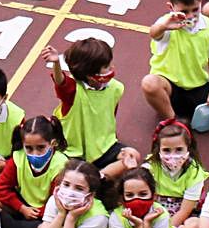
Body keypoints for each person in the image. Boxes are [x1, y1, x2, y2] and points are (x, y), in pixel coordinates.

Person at [44, 40, 141, 179]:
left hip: (104, 148)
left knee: (133, 156)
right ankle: (93, 179)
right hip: (72, 152)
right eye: (107, 67)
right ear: (91, 75)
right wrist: (56, 63)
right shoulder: (72, 91)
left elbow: (110, 117)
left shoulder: (115, 88)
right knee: (61, 172)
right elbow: (61, 82)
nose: (112, 68)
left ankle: (98, 178)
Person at [0, 115, 71, 228]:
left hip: (46, 215)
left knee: (49, 227)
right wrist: (21, 208)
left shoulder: (61, 166)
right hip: (24, 206)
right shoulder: (18, 158)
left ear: (53, 143)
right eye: (29, 148)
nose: (34, 153)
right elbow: (1, 188)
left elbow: (58, 201)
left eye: (40, 147)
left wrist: (38, 213)